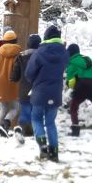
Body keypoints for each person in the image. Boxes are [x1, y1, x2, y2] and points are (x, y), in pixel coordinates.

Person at [25, 25, 69, 162]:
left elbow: (29, 73)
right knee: (50, 122)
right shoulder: (64, 52)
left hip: (39, 91)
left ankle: (43, 147)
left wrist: (34, 81)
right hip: (55, 92)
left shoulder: (39, 52)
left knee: (36, 118)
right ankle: (54, 152)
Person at [9, 33, 41, 143]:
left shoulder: (21, 56)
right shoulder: (42, 56)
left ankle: (21, 130)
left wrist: (12, 78)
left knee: (25, 111)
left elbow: (14, 76)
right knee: (36, 112)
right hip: (38, 89)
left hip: (24, 89)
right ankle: (35, 133)